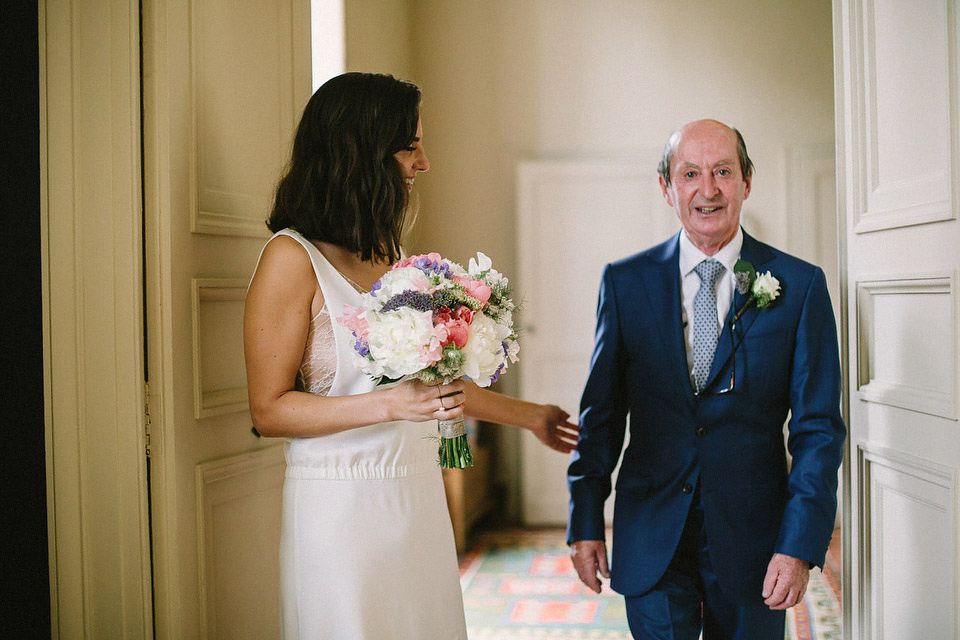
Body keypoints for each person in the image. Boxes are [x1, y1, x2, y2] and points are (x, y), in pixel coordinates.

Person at [244, 72, 579, 639]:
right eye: (411, 145)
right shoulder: (290, 258)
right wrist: (389, 405)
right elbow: (268, 410)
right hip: (339, 510)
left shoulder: (389, 256)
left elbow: (429, 390)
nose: (422, 163)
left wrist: (532, 416)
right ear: (361, 152)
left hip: (416, 499)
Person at [567, 119, 845, 639]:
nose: (708, 189)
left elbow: (818, 430)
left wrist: (800, 543)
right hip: (651, 532)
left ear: (747, 180)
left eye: (723, 171)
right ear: (666, 187)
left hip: (756, 541)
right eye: (690, 174)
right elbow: (600, 416)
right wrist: (585, 521)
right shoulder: (625, 283)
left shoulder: (801, 286)